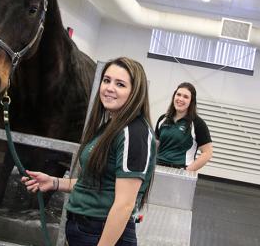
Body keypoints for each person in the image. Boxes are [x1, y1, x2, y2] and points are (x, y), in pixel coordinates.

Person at [22, 57, 156, 246]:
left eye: (120, 84)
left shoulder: (134, 132)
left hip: (101, 233)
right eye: (106, 80)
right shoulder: (110, 127)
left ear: (135, 93)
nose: (109, 88)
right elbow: (97, 186)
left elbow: (124, 204)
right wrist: (54, 182)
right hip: (84, 231)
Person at [155, 82, 213, 171]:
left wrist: (187, 171)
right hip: (157, 168)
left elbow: (207, 153)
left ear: (191, 101)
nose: (180, 99)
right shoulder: (163, 119)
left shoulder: (197, 123)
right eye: (178, 95)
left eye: (186, 97)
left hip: (180, 170)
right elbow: (156, 145)